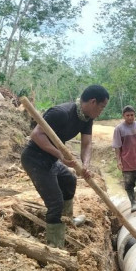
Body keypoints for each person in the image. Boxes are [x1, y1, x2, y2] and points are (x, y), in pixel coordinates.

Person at [21, 85, 109, 248]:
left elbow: (87, 143)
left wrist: (85, 165)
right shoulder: (60, 113)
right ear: (93, 102)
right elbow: (36, 135)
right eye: (102, 107)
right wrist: (60, 155)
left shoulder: (87, 118)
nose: (102, 111)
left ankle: (67, 220)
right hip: (35, 159)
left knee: (69, 180)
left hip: (51, 160)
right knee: (55, 202)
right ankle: (55, 246)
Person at [112, 105, 136, 212]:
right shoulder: (119, 129)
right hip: (127, 162)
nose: (130, 117)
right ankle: (133, 203)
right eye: (128, 115)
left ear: (135, 115)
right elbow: (117, 147)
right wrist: (119, 161)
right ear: (123, 116)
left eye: (132, 115)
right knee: (129, 185)